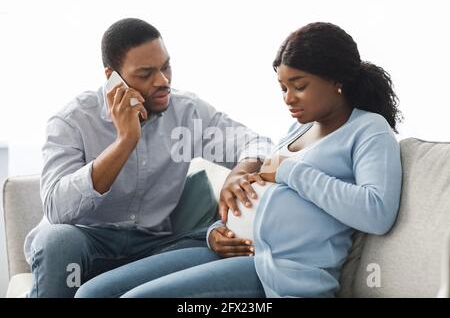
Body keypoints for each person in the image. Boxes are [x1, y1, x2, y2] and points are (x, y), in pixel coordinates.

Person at [75, 22, 403, 298]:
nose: (289, 99)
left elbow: (376, 212)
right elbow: (266, 195)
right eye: (283, 88)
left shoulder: (368, 130)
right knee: (91, 293)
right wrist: (219, 228)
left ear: (337, 81)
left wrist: (290, 171)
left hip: (278, 272)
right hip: (231, 252)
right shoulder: (297, 129)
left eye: (299, 87)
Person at [24, 18, 273, 298]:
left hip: (156, 245)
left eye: (165, 67)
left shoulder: (187, 112)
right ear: (112, 77)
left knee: (207, 240)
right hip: (88, 242)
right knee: (56, 240)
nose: (162, 81)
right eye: (145, 74)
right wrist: (124, 142)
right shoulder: (72, 121)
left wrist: (242, 169)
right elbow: (57, 210)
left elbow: (258, 143)